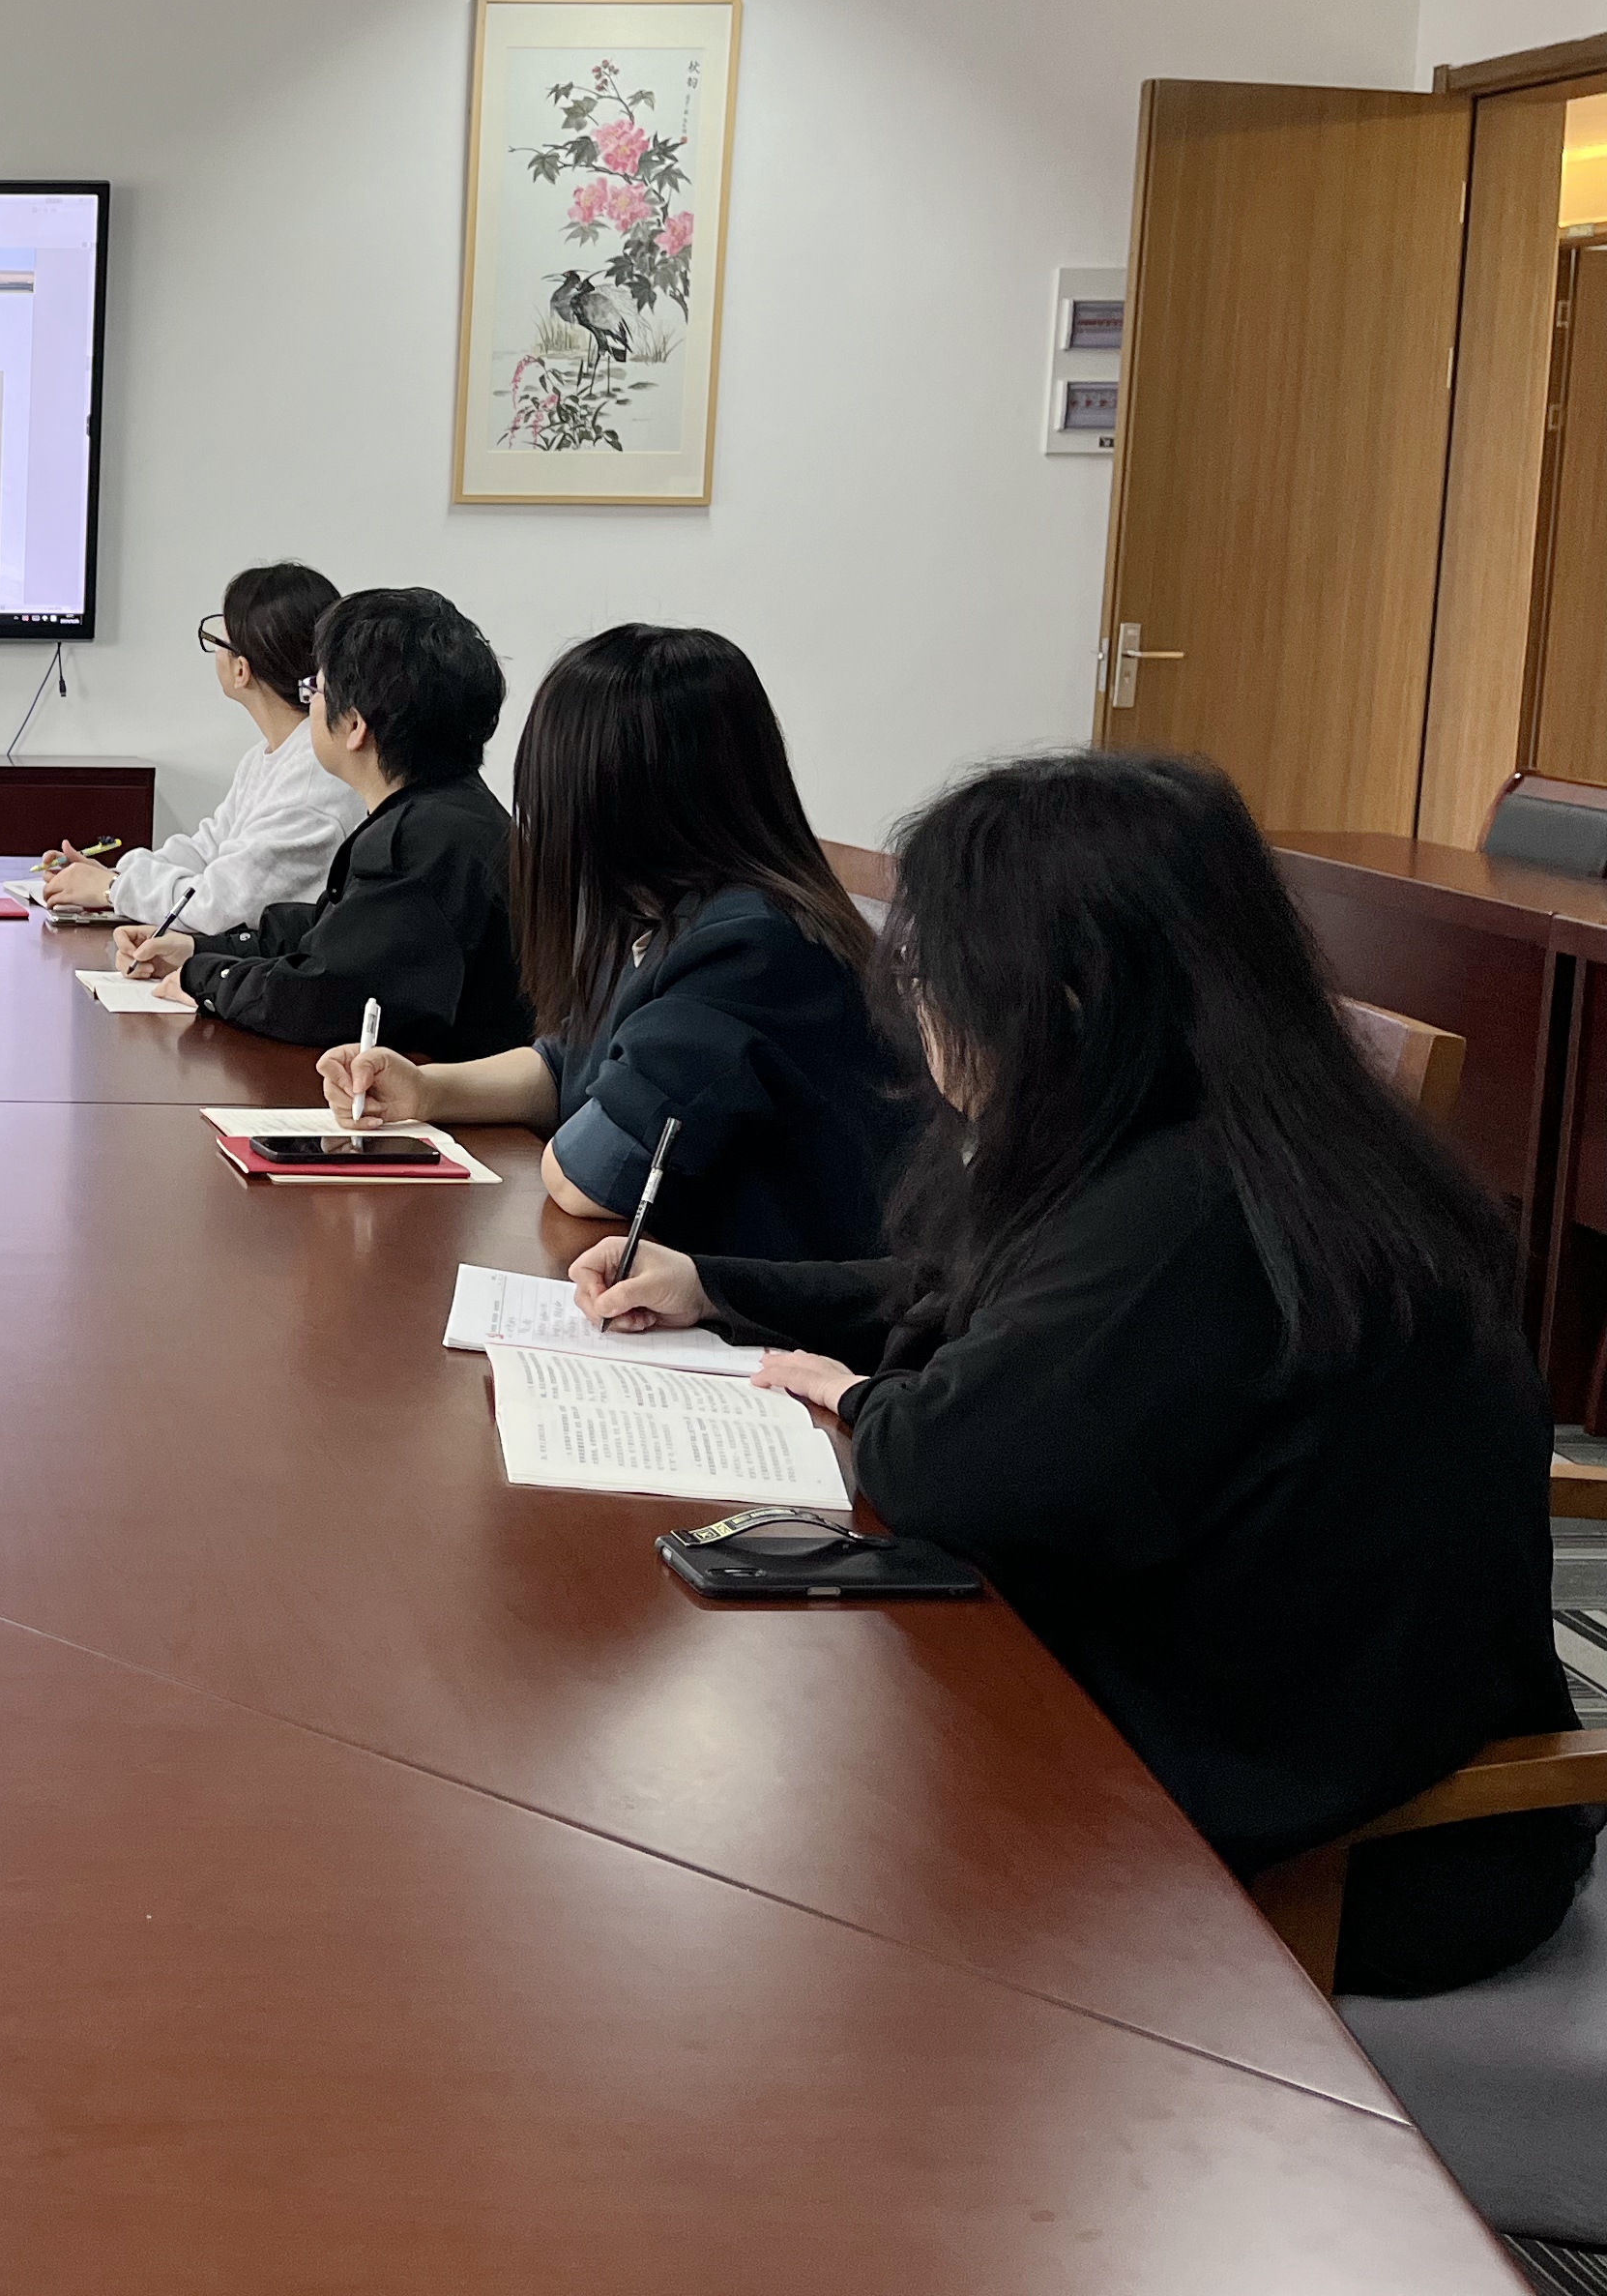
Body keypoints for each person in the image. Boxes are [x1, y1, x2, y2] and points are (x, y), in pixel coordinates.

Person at [571, 751, 1594, 1997]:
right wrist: (720, 1285)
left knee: (794, 1876)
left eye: (942, 978)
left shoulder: (1186, 1215)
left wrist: (860, 1397)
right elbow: (962, 1295)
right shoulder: (1229, 1129)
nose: (925, 1015)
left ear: (1067, 995)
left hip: (1360, 1854)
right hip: (1268, 1727)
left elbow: (948, 1467)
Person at [317, 624, 903, 1252]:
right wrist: (427, 1090)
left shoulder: (749, 950)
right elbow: (570, 1063)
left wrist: (576, 1131)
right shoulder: (664, 910)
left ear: (610, 797)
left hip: (767, 1303)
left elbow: (591, 1177)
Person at [112, 586, 530, 1060]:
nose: (308, 704)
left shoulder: (420, 845)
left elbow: (320, 995)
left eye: (315, 691)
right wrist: (199, 949)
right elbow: (332, 929)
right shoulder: (448, 812)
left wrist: (205, 977)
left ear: (354, 726)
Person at [36, 562, 364, 936]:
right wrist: (114, 876)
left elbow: (220, 906)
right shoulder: (274, 755)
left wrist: (113, 890)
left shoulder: (312, 781)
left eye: (219, 640)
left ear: (241, 670)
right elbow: (208, 850)